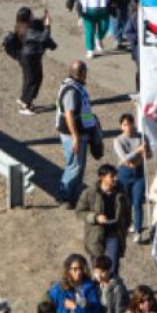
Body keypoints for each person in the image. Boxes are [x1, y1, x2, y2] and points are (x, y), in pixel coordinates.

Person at [56, 59, 100, 204]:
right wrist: (75, 136)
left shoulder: (76, 86)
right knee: (74, 166)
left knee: (79, 166)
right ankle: (65, 196)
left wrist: (92, 123)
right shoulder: (71, 90)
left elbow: (82, 111)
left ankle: (74, 195)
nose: (87, 74)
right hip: (73, 134)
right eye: (85, 72)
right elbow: (69, 114)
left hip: (81, 132)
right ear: (81, 73)